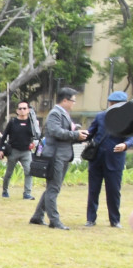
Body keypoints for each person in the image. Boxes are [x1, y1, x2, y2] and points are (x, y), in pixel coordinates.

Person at [30, 87, 88, 230]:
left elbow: (65, 135)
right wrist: (75, 135)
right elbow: (56, 132)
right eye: (73, 100)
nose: (74, 103)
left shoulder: (64, 114)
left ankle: (37, 216)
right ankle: (54, 221)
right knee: (53, 188)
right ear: (65, 100)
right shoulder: (55, 113)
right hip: (55, 156)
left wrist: (80, 136)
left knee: (52, 187)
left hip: (63, 155)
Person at [85, 91, 129, 228]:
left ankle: (115, 220)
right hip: (96, 159)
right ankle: (90, 219)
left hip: (115, 160)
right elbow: (90, 132)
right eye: (112, 103)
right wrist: (79, 134)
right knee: (93, 190)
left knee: (114, 191)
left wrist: (126, 144)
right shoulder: (100, 116)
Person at [0, 100, 39, 200]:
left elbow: (36, 136)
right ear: (17, 110)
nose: (22, 110)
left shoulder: (32, 123)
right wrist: (1, 149)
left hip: (26, 152)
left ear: (28, 110)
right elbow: (4, 136)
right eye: (20, 108)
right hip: (13, 151)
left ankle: (27, 193)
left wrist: (34, 143)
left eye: (24, 108)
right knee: (9, 172)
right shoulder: (12, 122)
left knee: (29, 171)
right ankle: (5, 190)